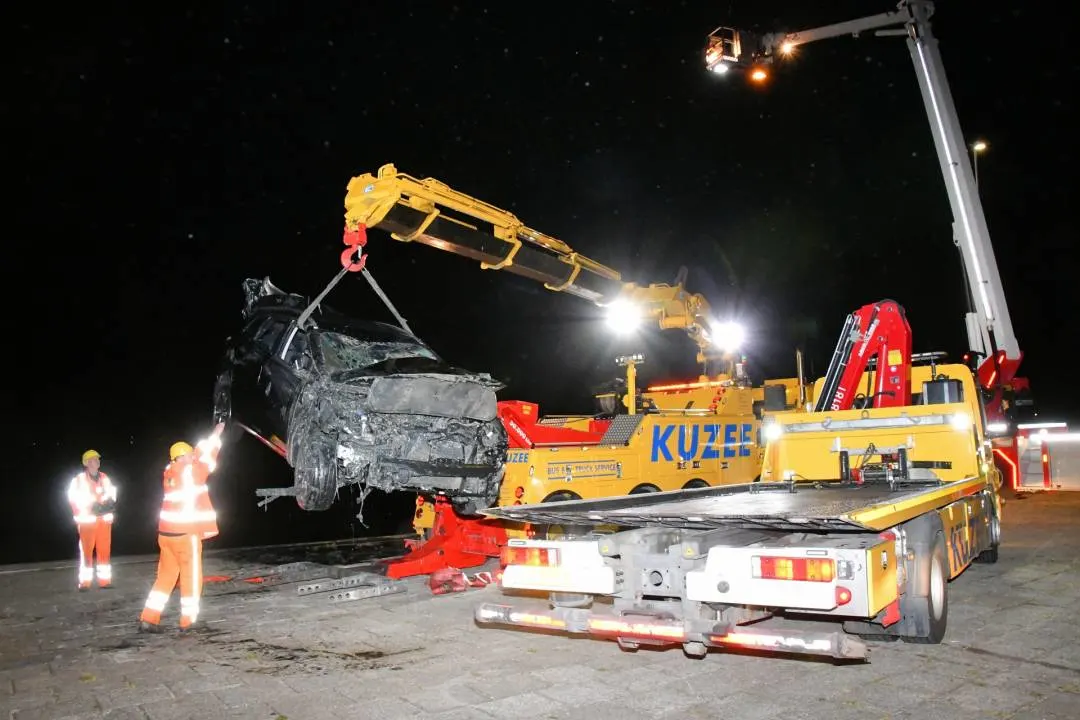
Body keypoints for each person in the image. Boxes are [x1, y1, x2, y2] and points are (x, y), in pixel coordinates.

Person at [139, 423, 224, 633]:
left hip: (166, 535)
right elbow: (206, 461)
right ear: (182, 457)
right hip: (185, 535)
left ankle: (149, 618)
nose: (192, 457)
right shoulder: (189, 474)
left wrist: (200, 445)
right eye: (189, 455)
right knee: (191, 577)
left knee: (165, 577)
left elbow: (196, 456)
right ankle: (189, 621)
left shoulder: (170, 471)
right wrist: (215, 435)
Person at [67, 449, 117, 590]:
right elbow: (73, 498)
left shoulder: (105, 478)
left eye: (98, 459)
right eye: (94, 459)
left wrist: (109, 503)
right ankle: (85, 582)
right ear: (87, 463)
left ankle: (105, 581)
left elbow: (112, 493)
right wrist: (91, 506)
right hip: (87, 521)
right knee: (86, 552)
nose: (97, 461)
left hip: (104, 520)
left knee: (104, 551)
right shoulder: (78, 480)